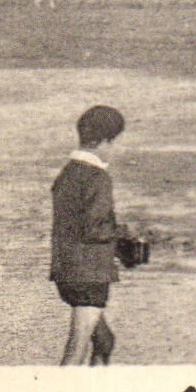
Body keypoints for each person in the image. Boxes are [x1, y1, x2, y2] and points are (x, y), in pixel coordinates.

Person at [51, 105, 129, 365]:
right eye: (114, 142)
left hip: (67, 272)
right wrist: (122, 236)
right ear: (106, 141)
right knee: (75, 352)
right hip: (90, 276)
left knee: (104, 342)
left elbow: (72, 223)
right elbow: (94, 228)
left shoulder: (67, 174)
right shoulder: (98, 178)